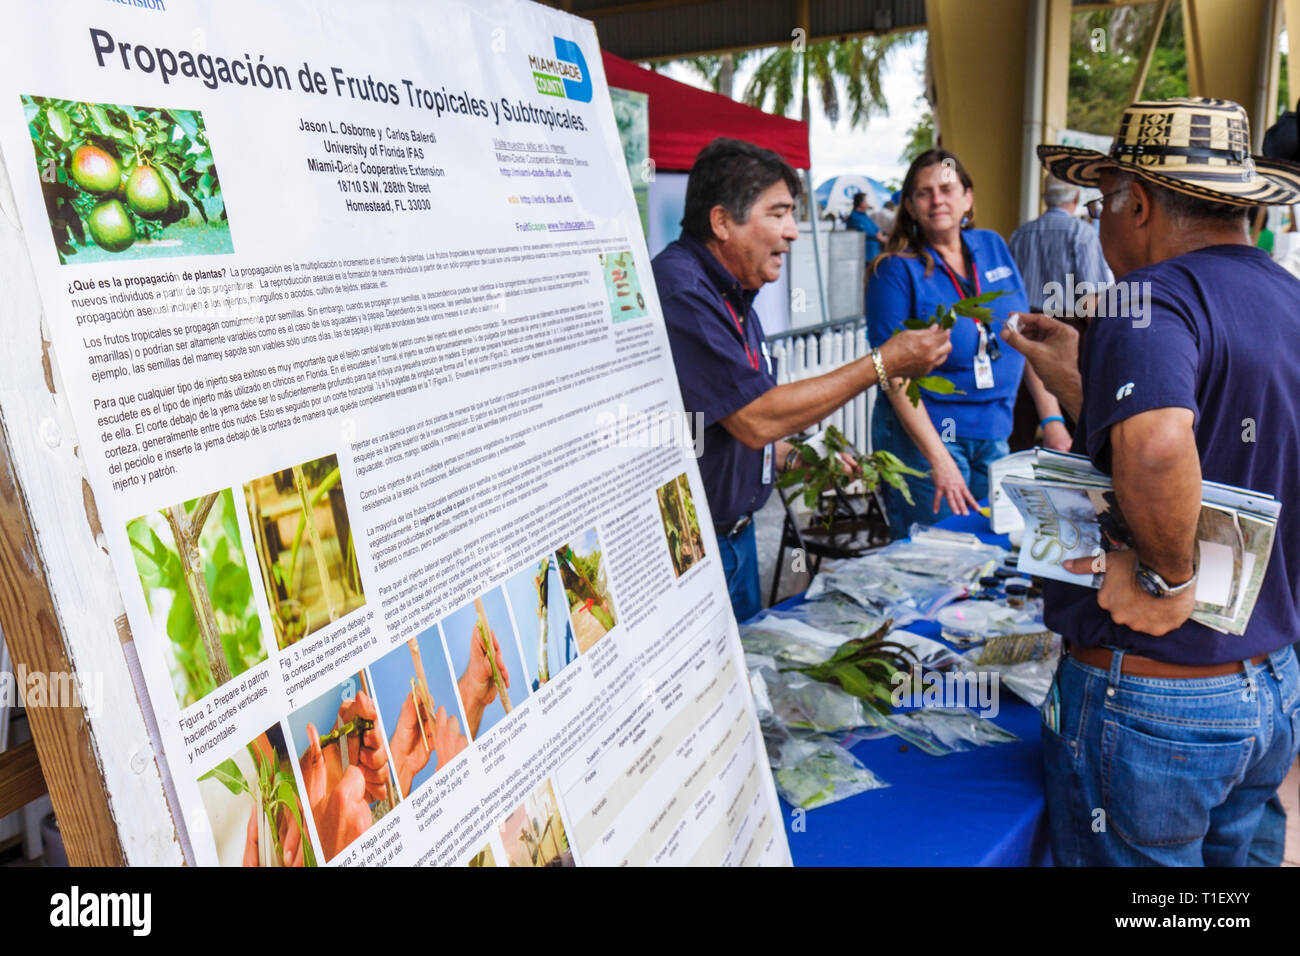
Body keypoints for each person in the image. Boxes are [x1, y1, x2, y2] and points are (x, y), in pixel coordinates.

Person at [1003, 97, 1300, 866]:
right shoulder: (1286, 299)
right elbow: (1226, 426)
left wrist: (1171, 581)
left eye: (1106, 203)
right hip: (1267, 685)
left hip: (1159, 701)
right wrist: (1085, 382)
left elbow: (1163, 448)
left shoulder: (1149, 300)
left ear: (1136, 203)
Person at [652, 138, 952, 622]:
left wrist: (797, 455)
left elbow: (724, 422)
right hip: (697, 546)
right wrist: (882, 364)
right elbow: (755, 419)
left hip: (737, 537)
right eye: (779, 213)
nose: (793, 232)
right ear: (722, 221)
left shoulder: (734, 292)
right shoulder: (682, 290)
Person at [866, 149, 1065, 538]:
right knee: (936, 556)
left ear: (968, 198)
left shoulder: (992, 246)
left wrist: (1053, 420)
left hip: (994, 431)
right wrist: (938, 459)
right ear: (909, 206)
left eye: (946, 188)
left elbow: (1023, 339)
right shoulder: (893, 271)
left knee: (993, 548)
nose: (937, 200)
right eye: (923, 193)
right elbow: (893, 375)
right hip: (927, 438)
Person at [1006, 174, 1110, 452]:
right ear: (1075, 200)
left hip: (1022, 331)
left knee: (1022, 426)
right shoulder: (1082, 233)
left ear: (1044, 198)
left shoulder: (1020, 234)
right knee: (1076, 427)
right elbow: (1091, 301)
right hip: (1068, 332)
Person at [844, 191, 883, 263]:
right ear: (861, 203)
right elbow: (867, 232)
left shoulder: (865, 216)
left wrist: (878, 233)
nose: (868, 204)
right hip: (864, 256)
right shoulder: (854, 217)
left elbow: (876, 228)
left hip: (873, 253)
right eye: (866, 201)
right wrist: (879, 236)